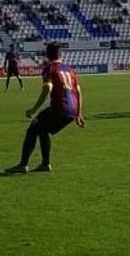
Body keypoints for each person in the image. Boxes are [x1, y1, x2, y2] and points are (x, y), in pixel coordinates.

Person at [5, 43, 85, 174]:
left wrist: (33, 109)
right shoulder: (70, 69)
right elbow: (78, 91)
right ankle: (45, 164)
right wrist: (79, 113)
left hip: (60, 108)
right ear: (61, 54)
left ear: (47, 55)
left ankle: (23, 165)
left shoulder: (50, 68)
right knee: (42, 129)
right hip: (72, 110)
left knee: (33, 128)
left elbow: (48, 87)